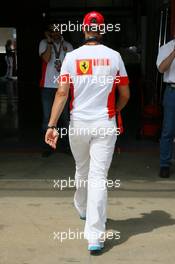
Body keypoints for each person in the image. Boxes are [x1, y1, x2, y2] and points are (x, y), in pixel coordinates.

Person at [45, 11, 130, 253]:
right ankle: (95, 236)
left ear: (84, 30)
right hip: (105, 124)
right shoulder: (115, 57)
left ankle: (82, 207)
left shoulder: (72, 57)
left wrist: (51, 126)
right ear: (102, 30)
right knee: (98, 177)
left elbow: (61, 93)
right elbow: (125, 95)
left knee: (82, 168)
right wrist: (113, 111)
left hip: (78, 125)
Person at [39, 24, 73, 157]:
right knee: (47, 117)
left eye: (57, 30)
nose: (55, 33)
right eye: (52, 31)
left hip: (63, 85)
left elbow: (72, 66)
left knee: (65, 118)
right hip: (47, 86)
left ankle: (67, 146)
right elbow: (46, 59)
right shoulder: (44, 43)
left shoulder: (68, 46)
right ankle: (48, 147)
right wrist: (49, 42)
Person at [157, 39, 175, 178]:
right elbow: (161, 69)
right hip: (172, 91)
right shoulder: (166, 48)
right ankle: (165, 164)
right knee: (168, 130)